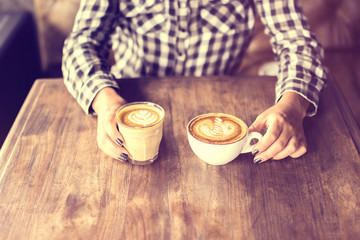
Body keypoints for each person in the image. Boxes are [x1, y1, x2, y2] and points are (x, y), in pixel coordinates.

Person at [62, 0, 327, 164]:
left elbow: (297, 41)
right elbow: (82, 44)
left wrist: (293, 105)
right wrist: (105, 101)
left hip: (221, 105)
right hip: (130, 101)